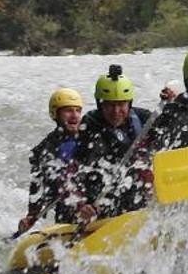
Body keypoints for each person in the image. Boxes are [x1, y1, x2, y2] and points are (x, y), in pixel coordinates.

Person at [74, 64, 154, 219]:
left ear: (129, 104)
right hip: (100, 203)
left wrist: (171, 102)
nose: (116, 112)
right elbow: (76, 169)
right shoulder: (89, 127)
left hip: (136, 198)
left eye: (121, 105)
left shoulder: (144, 119)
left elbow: (171, 128)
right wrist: (81, 204)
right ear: (100, 105)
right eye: (110, 105)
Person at [16, 87, 87, 235]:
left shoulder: (90, 136)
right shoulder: (46, 149)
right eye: (68, 111)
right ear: (55, 114)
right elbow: (37, 184)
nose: (74, 116)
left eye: (77, 110)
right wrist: (32, 215)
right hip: (68, 206)